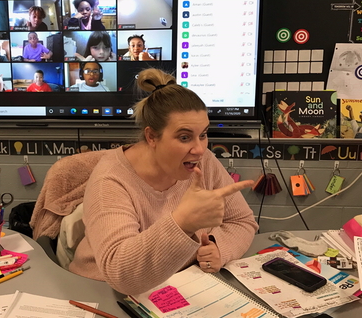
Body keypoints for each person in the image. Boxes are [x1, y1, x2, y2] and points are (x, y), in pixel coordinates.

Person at [69, 68, 258, 295]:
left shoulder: (203, 161)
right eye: (184, 137)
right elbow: (121, 275)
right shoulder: (110, 179)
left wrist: (220, 248)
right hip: (102, 291)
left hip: (179, 285)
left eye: (204, 134)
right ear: (151, 137)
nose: (199, 149)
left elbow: (242, 221)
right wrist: (182, 223)